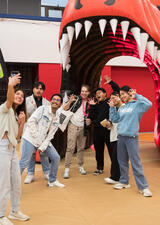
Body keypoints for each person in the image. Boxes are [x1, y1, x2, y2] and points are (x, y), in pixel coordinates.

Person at [109, 86, 152, 197]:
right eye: (120, 95)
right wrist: (112, 108)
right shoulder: (122, 107)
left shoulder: (137, 105)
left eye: (124, 94)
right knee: (122, 161)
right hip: (121, 137)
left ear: (129, 93)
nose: (122, 96)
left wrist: (137, 96)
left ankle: (143, 187)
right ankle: (124, 181)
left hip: (132, 137)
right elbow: (115, 119)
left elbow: (149, 104)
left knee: (135, 163)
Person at [0, 74, 29, 225]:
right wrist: (10, 85)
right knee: (4, 183)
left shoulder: (17, 114)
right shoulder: (5, 109)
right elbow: (9, 100)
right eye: (17, 94)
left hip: (12, 150)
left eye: (22, 96)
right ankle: (0, 215)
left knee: (16, 182)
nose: (20, 97)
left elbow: (17, 137)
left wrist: (22, 122)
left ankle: (14, 211)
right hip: (2, 148)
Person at [20, 94, 65, 188]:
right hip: (30, 138)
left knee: (56, 157)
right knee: (24, 162)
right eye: (53, 99)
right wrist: (37, 139)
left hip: (44, 140)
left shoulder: (58, 117)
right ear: (50, 101)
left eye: (58, 100)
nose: (55, 101)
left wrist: (42, 146)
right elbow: (31, 122)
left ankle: (52, 180)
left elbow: (50, 135)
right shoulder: (42, 109)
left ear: (60, 104)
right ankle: (11, 184)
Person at [88, 76, 120, 175]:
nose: (98, 94)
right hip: (97, 131)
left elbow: (117, 91)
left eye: (100, 93)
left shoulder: (109, 102)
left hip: (108, 130)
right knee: (98, 151)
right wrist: (92, 107)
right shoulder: (95, 105)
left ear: (105, 94)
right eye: (96, 93)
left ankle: (115, 170)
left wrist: (111, 82)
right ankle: (99, 168)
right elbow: (92, 117)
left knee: (112, 151)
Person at [24, 81, 50, 184]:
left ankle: (47, 172)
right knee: (31, 154)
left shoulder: (47, 103)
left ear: (43, 91)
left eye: (41, 89)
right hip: (30, 131)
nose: (39, 90)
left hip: (42, 132)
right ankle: (30, 174)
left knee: (44, 152)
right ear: (33, 89)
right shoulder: (26, 101)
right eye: (37, 88)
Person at [63, 84, 91, 179]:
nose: (84, 93)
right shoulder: (76, 99)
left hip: (83, 127)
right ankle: (67, 169)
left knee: (81, 148)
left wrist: (89, 120)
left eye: (86, 91)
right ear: (80, 91)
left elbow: (91, 114)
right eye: (82, 91)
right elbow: (64, 108)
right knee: (70, 148)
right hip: (73, 125)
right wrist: (70, 101)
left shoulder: (90, 102)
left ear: (89, 93)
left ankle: (80, 166)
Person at [103, 91, 122, 184]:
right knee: (115, 157)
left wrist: (111, 107)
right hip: (113, 135)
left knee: (116, 157)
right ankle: (120, 176)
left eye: (114, 98)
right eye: (111, 99)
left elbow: (116, 119)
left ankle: (115, 177)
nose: (112, 100)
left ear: (119, 97)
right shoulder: (114, 108)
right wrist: (108, 124)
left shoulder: (122, 107)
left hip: (120, 136)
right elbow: (112, 120)